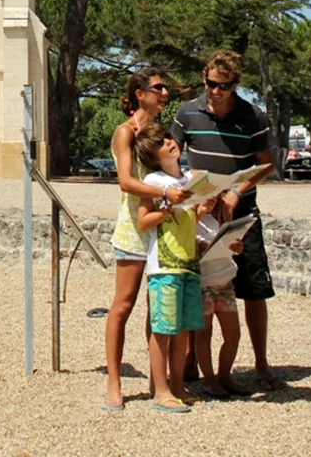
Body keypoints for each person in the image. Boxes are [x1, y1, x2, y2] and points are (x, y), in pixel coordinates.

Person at [171, 50, 282, 391]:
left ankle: (261, 365)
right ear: (203, 77)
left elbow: (266, 164)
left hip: (242, 215)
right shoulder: (186, 112)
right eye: (209, 83)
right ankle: (190, 361)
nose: (214, 91)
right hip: (200, 218)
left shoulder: (254, 117)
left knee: (253, 290)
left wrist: (236, 190)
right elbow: (172, 159)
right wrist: (190, 188)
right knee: (195, 287)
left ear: (235, 85)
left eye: (222, 86)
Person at [103, 68, 191, 411]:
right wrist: (167, 193)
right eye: (158, 87)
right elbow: (125, 181)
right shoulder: (124, 132)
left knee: (160, 309)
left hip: (162, 227)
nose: (165, 92)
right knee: (123, 304)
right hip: (133, 228)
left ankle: (161, 384)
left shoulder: (157, 132)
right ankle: (114, 383)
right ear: (140, 94)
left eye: (164, 87)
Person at [136, 123, 215, 413]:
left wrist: (203, 207)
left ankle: (179, 385)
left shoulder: (187, 179)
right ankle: (161, 390)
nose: (170, 144)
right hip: (163, 267)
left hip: (189, 265)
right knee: (163, 330)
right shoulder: (152, 182)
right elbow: (143, 222)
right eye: (162, 143)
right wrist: (166, 206)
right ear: (153, 156)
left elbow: (193, 217)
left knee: (182, 331)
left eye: (169, 139)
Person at [195, 201, 251, 398]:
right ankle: (208, 379)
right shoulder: (190, 221)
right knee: (204, 334)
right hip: (203, 284)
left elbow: (232, 247)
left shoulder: (218, 220)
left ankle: (225, 376)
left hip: (224, 281)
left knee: (233, 334)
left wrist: (237, 247)